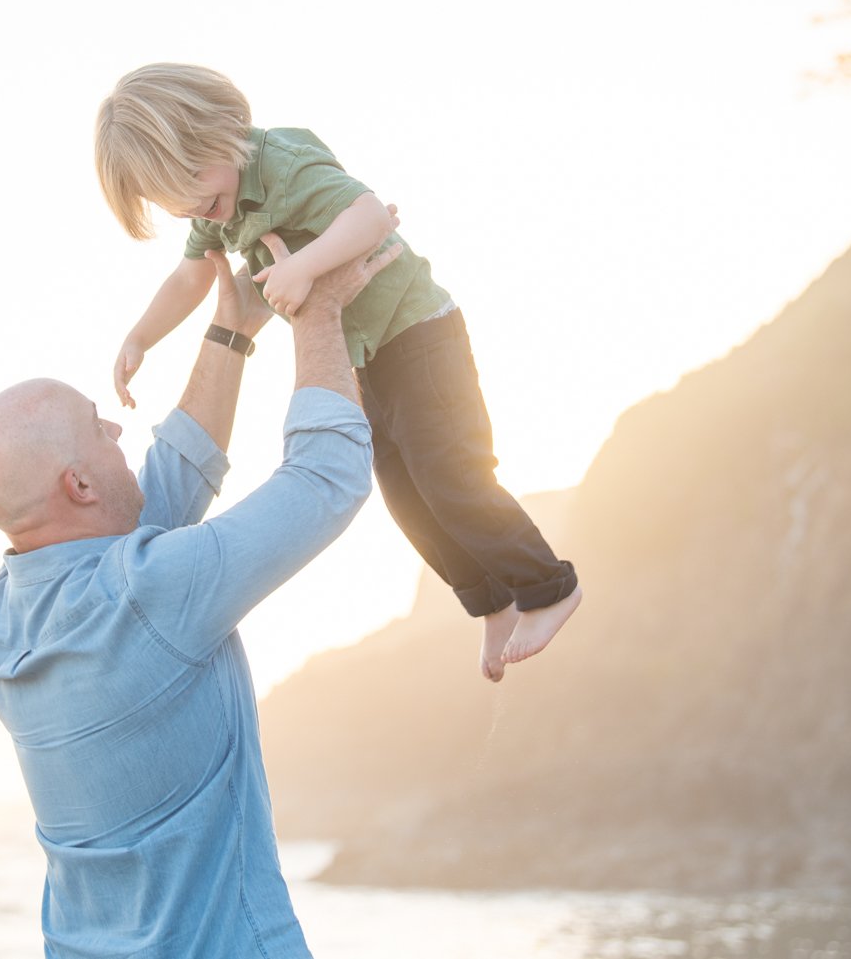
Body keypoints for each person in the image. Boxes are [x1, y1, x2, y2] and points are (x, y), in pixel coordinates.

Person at [0, 228, 401, 959]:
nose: (116, 424)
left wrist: (232, 327)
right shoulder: (147, 592)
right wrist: (319, 314)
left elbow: (155, 499)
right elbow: (327, 477)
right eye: (97, 427)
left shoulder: (3, 622)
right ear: (79, 484)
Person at [94, 62, 582, 681]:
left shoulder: (285, 164)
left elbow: (370, 215)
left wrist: (305, 269)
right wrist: (142, 336)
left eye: (195, 177)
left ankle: (549, 586)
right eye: (173, 200)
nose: (194, 205)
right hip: (362, 355)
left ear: (221, 128)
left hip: (416, 330)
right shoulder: (213, 209)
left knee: (450, 471)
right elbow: (192, 275)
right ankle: (492, 600)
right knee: (406, 493)